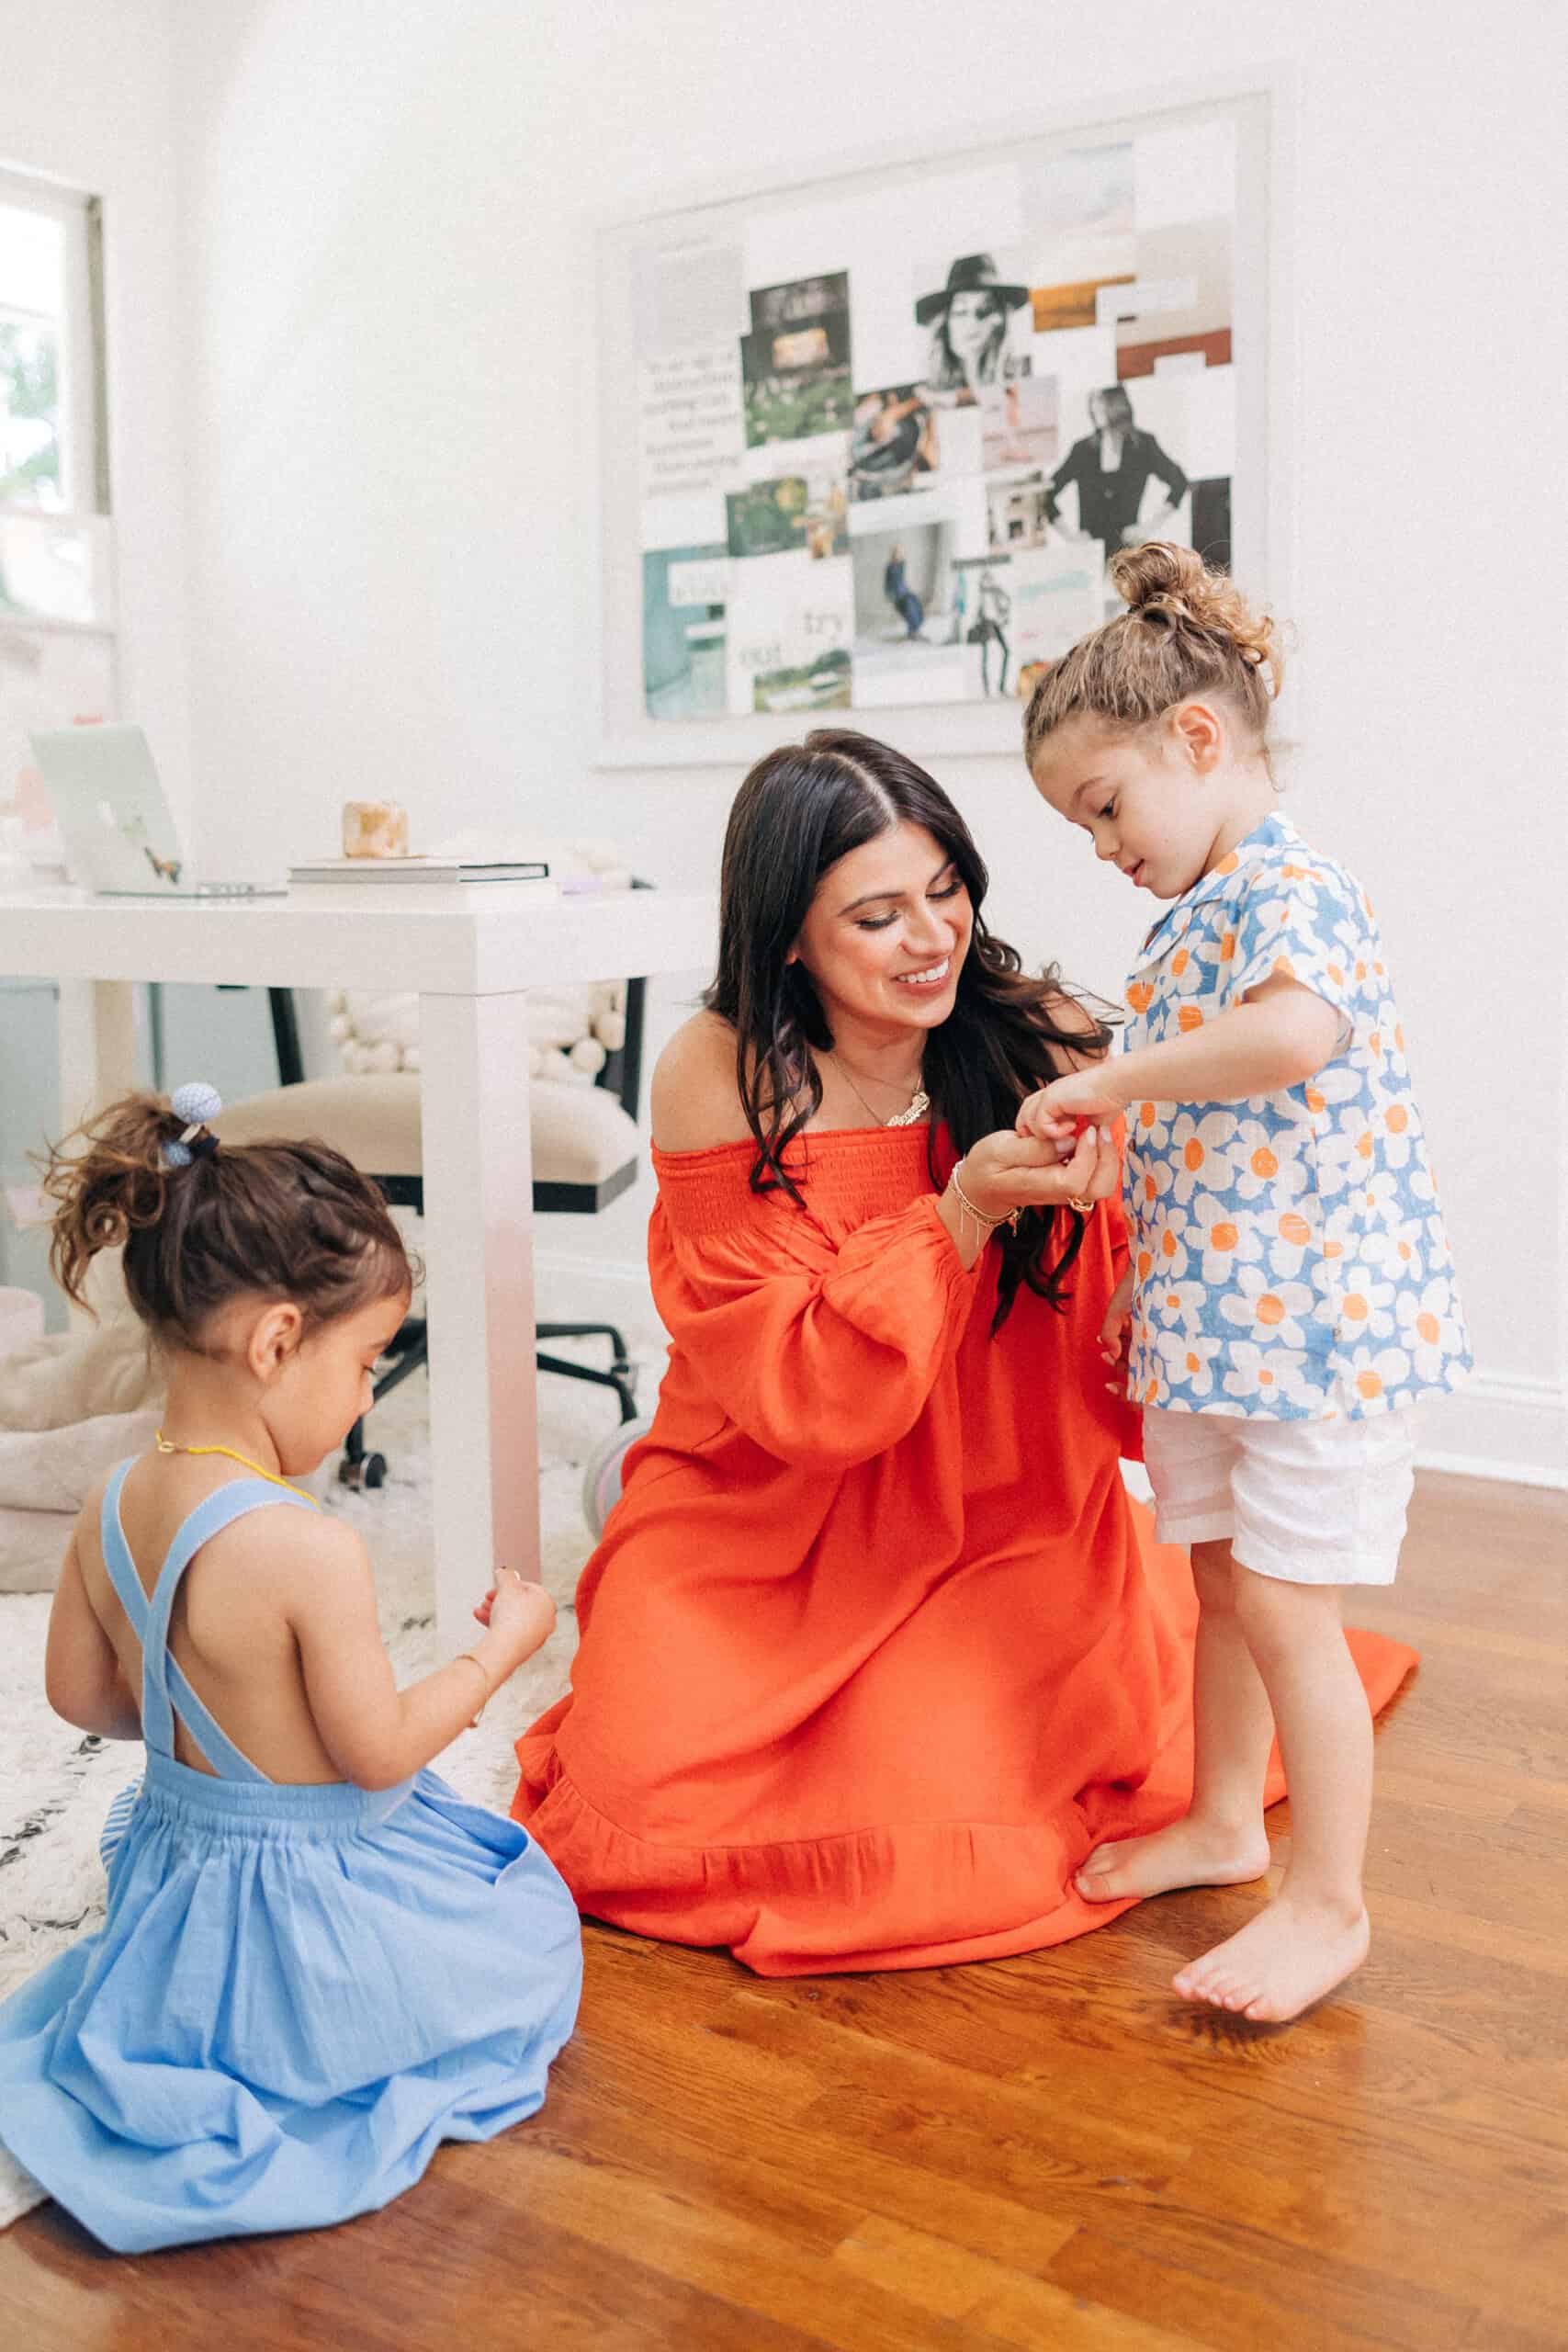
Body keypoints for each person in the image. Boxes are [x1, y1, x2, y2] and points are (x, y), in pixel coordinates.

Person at [512, 728, 1416, 1977]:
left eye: (945, 890)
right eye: (876, 915)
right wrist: (957, 1215)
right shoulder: (717, 1069)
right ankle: (637, 1489)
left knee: (933, 1824)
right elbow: (785, 1375)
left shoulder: (1040, 1036)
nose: (931, 936)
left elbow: (1131, 1303)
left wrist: (1121, 1220)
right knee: (635, 1798)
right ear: (787, 937)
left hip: (995, 1511)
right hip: (768, 1485)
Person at [0, 1087, 581, 2252]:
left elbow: (80, 1696)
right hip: (305, 1902)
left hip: (181, 1879)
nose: (368, 1394)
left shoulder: (109, 1498)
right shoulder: (306, 1548)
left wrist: (199, 1716)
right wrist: (498, 1651)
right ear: (275, 1341)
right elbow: (378, 1754)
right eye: (366, 1361)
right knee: (515, 1926)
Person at [1018, 543, 1470, 2022]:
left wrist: (1109, 1081)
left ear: (1196, 739)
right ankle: (1222, 1819)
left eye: (1104, 806)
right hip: (1218, 1326)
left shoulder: (1292, 886)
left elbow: (1287, 1039)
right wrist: (1125, 1200)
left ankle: (1327, 1904)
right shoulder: (1188, 921)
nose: (1099, 843)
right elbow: (1202, 1115)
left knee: (1282, 1603)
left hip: (1316, 1330)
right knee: (1214, 1582)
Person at [1043, 384, 1189, 566]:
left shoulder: (1143, 445)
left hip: (1128, 554)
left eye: (1101, 401)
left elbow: (1179, 482)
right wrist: (1071, 537)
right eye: (1092, 402)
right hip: (1091, 554)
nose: (1095, 407)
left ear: (1117, 403)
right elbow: (1045, 493)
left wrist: (1147, 528)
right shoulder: (1082, 450)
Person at [915, 253, 1031, 405]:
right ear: (945, 323)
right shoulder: (925, 390)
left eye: (985, 309)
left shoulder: (1024, 374)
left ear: (1000, 319)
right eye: (960, 311)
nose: (973, 321)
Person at [972, 565, 1012, 695]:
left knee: (1004, 653)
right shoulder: (981, 594)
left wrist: (1004, 616)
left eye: (988, 578)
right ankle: (987, 689)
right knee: (987, 657)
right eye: (985, 579)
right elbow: (978, 612)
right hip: (986, 626)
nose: (987, 582)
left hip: (995, 624)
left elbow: (1007, 601)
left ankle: (1000, 687)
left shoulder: (996, 591)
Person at [883, 542, 924, 639]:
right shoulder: (890, 567)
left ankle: (915, 630)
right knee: (909, 606)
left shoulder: (902, 565)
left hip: (905, 592)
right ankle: (912, 632)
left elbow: (903, 581)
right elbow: (887, 584)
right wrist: (890, 596)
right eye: (897, 553)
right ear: (893, 554)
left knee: (916, 604)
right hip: (897, 596)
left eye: (900, 553)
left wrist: (907, 591)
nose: (899, 555)